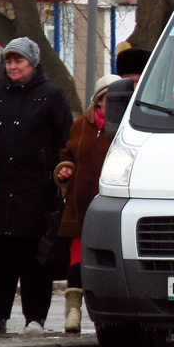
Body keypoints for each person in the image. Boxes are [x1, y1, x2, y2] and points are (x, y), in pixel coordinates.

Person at [0, 37, 73, 334]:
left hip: (37, 191)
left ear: (32, 63)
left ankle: (35, 318)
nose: (13, 66)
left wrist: (61, 171)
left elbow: (64, 139)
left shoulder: (51, 95)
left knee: (35, 260)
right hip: (1, 191)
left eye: (18, 61)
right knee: (3, 257)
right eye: (9, 61)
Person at [53, 74, 120, 332]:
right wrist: (64, 170)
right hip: (79, 208)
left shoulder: (126, 128)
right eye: (107, 100)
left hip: (109, 208)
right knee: (76, 262)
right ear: (98, 101)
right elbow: (66, 155)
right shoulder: (81, 126)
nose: (111, 105)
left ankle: (112, 317)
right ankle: (73, 313)